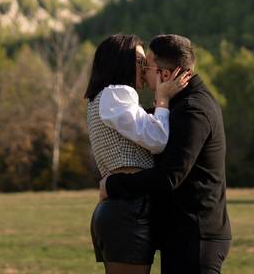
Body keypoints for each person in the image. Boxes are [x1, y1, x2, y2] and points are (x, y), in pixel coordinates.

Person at [101, 34, 231, 274]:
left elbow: (169, 177)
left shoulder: (194, 110)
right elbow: (143, 122)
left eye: (146, 65)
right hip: (183, 235)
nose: (142, 71)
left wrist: (112, 185)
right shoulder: (180, 105)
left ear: (165, 75)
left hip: (196, 238)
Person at [86, 34, 192, 274]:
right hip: (128, 210)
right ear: (121, 62)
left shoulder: (100, 98)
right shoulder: (118, 93)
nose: (147, 68)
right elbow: (157, 140)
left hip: (122, 208)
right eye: (141, 61)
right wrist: (163, 101)